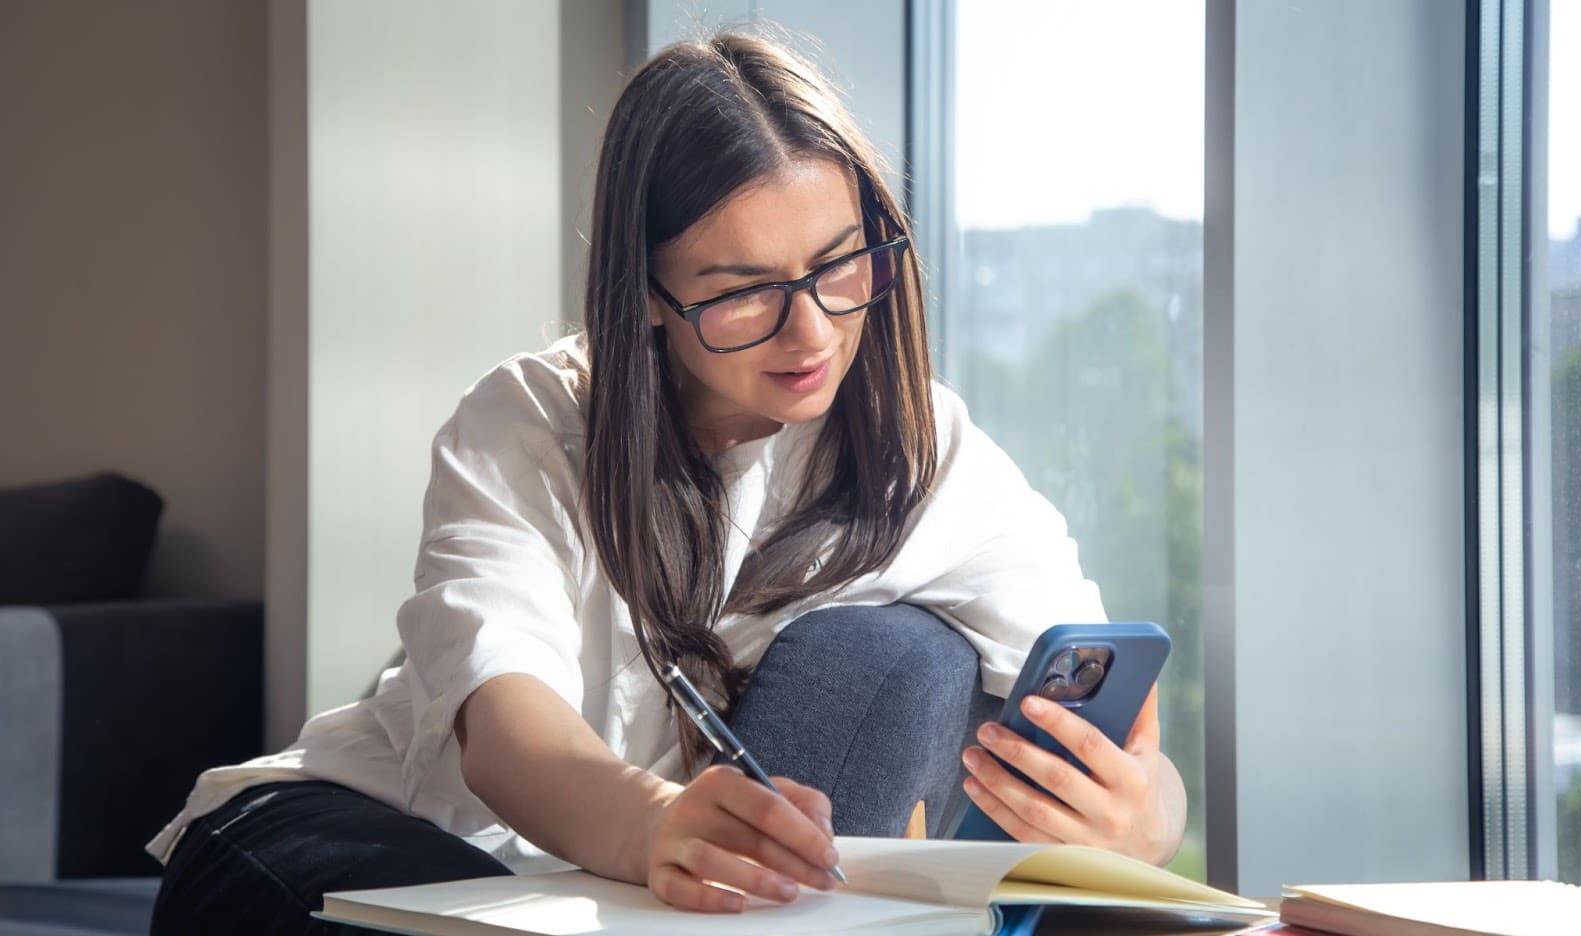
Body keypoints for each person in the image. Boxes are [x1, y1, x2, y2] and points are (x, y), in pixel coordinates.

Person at [148, 31, 1187, 933]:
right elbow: (505, 729)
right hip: (357, 834)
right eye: (742, 296)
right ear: (644, 294)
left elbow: (1122, 729)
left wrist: (1141, 821)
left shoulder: (925, 451)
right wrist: (652, 820)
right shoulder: (527, 422)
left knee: (893, 651)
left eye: (839, 265)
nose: (813, 330)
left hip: (630, 906)